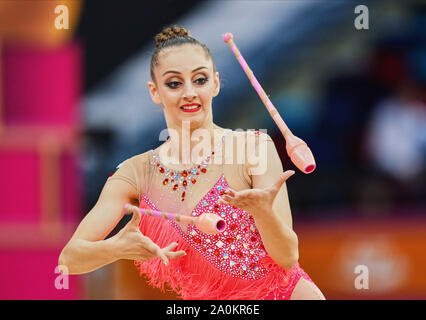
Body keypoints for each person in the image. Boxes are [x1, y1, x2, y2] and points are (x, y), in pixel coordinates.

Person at [58, 25, 325, 300]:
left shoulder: (254, 147)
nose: (189, 93)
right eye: (174, 83)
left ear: (216, 83)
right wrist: (116, 248)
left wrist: (264, 212)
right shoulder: (136, 173)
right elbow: (70, 259)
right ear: (155, 91)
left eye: (199, 80)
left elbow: (288, 257)